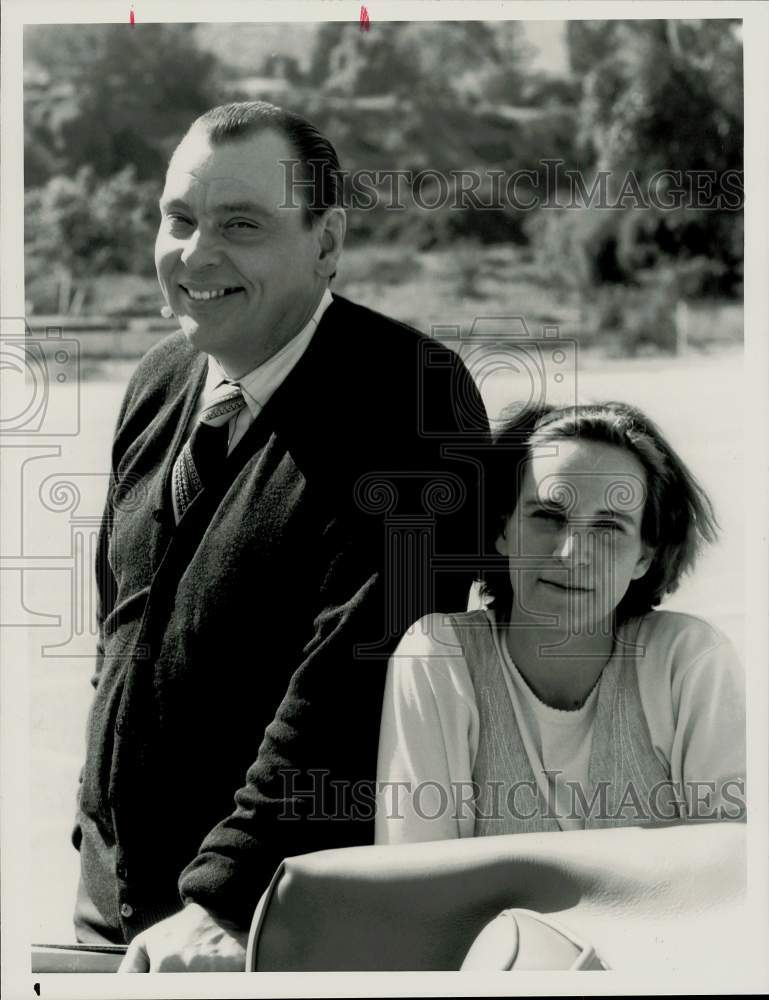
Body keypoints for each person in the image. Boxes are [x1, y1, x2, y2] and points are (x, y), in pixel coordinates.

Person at [72, 101, 489, 970]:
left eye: (241, 225)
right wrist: (95, 823)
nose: (195, 254)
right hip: (118, 909)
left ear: (326, 241)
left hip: (264, 931)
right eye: (178, 219)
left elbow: (358, 674)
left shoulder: (414, 401)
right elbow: (122, 623)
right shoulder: (161, 376)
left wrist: (229, 897)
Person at [376, 401, 746, 843]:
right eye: (548, 517)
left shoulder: (686, 662)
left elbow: (734, 877)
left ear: (644, 555)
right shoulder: (440, 658)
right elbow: (415, 883)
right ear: (503, 530)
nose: (571, 554)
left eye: (608, 527)